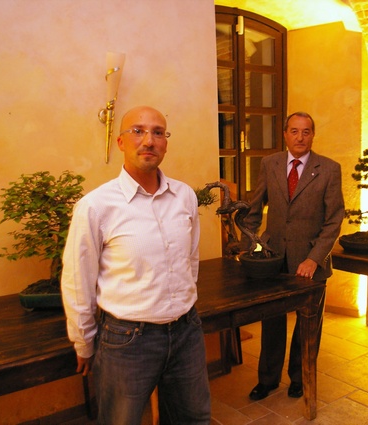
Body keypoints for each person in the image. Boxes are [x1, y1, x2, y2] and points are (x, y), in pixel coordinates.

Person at [61, 105, 211, 424]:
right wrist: (83, 340)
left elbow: (190, 260)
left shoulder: (184, 196)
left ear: (166, 143)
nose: (149, 140)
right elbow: (78, 278)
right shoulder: (96, 206)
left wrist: (185, 303)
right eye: (138, 131)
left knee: (193, 419)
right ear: (120, 142)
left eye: (158, 132)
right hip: (128, 340)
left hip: (187, 332)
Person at [244, 111, 345, 400]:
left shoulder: (329, 169)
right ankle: (268, 379)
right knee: (271, 320)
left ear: (313, 135)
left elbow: (334, 219)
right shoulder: (269, 164)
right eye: (294, 131)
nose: (300, 137)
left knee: (308, 324)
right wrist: (247, 248)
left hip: (310, 260)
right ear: (285, 134)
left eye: (306, 131)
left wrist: (314, 257)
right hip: (273, 259)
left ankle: (300, 378)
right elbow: (253, 208)